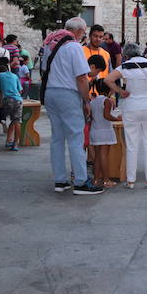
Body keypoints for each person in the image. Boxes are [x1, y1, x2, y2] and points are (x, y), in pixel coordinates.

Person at [42, 17, 103, 195]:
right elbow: (82, 77)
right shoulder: (74, 46)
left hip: (51, 93)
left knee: (57, 138)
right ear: (79, 31)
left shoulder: (51, 45)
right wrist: (86, 101)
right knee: (76, 137)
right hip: (67, 93)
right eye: (84, 32)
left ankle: (60, 180)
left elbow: (45, 70)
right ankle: (81, 182)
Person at [105, 42, 147, 187]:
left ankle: (131, 180)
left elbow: (108, 79)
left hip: (131, 107)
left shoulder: (125, 66)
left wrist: (120, 91)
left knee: (132, 144)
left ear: (126, 54)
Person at [89, 78, 121, 187]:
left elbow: (92, 116)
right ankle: (106, 180)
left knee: (97, 156)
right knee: (103, 155)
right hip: (104, 130)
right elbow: (106, 115)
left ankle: (96, 179)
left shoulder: (93, 101)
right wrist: (118, 119)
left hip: (95, 129)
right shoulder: (106, 101)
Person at [0, 58, 23, 152]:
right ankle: (12, 142)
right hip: (18, 100)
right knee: (16, 120)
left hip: (7, 100)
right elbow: (20, 90)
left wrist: (0, 103)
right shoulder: (15, 76)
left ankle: (12, 142)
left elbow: (0, 91)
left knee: (14, 120)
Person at [83, 25, 111, 96]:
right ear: (90, 36)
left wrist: (112, 96)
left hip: (102, 97)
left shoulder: (106, 54)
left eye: (101, 37)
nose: (98, 39)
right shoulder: (80, 51)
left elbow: (110, 76)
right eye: (95, 36)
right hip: (84, 95)